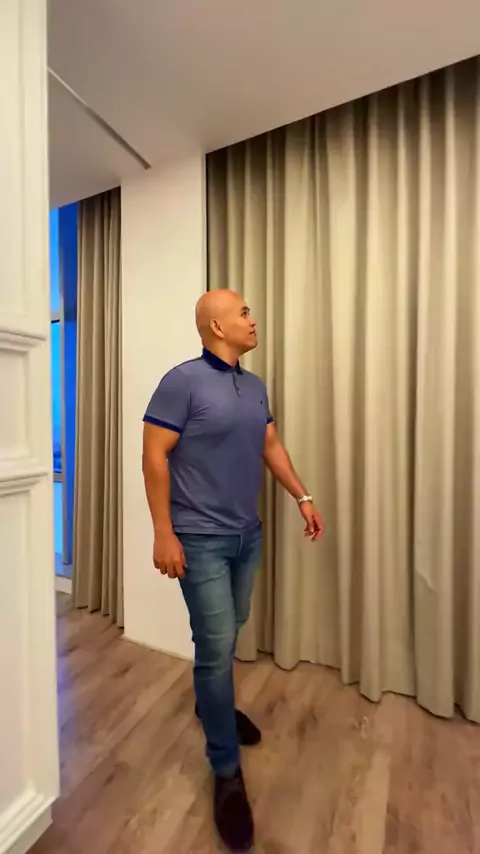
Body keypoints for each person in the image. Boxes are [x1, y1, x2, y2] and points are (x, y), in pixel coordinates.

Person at [142, 289, 323, 853]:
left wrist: (303, 496)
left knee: (231, 626)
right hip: (199, 538)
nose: (252, 319)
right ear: (216, 326)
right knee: (217, 644)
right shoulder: (181, 382)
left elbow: (270, 443)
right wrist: (164, 532)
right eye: (243, 312)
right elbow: (154, 455)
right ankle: (225, 770)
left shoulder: (255, 385)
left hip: (248, 534)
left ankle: (210, 701)